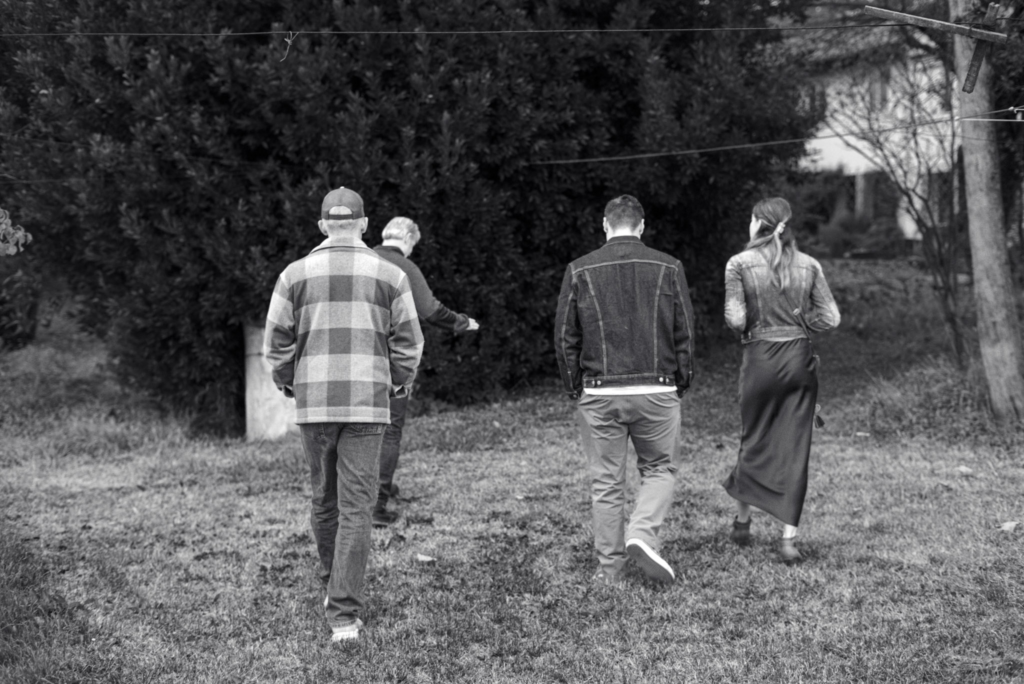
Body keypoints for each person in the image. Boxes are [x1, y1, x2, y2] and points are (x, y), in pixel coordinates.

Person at [263, 187, 423, 642]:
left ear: (321, 226)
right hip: (368, 402)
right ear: (365, 224)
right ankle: (344, 615)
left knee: (324, 499)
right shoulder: (390, 274)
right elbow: (409, 341)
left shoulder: (293, 274)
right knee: (357, 506)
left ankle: (333, 587)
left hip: (314, 403)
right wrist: (397, 382)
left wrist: (288, 381)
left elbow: (276, 342)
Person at [554, 194, 695, 586]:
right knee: (660, 468)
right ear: (642, 226)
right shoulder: (669, 266)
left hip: (599, 392)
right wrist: (682, 378)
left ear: (605, 224)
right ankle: (642, 533)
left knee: (606, 483)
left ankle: (610, 570)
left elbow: (565, 336)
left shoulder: (579, 269)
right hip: (657, 388)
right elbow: (684, 329)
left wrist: (575, 386)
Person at [721, 197, 840, 563]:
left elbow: (736, 320)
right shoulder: (810, 265)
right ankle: (788, 540)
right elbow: (831, 318)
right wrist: (801, 325)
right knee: (795, 449)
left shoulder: (739, 263)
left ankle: (743, 523)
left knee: (753, 439)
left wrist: (753, 321)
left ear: (759, 224)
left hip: (761, 361)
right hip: (799, 362)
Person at [371, 216, 480, 527]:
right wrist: (461, 322)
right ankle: (376, 505)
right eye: (413, 245)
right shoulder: (404, 266)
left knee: (358, 428)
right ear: (408, 240)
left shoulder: (361, 259)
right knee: (389, 428)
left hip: (353, 358)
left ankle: (363, 491)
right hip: (390, 360)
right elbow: (430, 310)